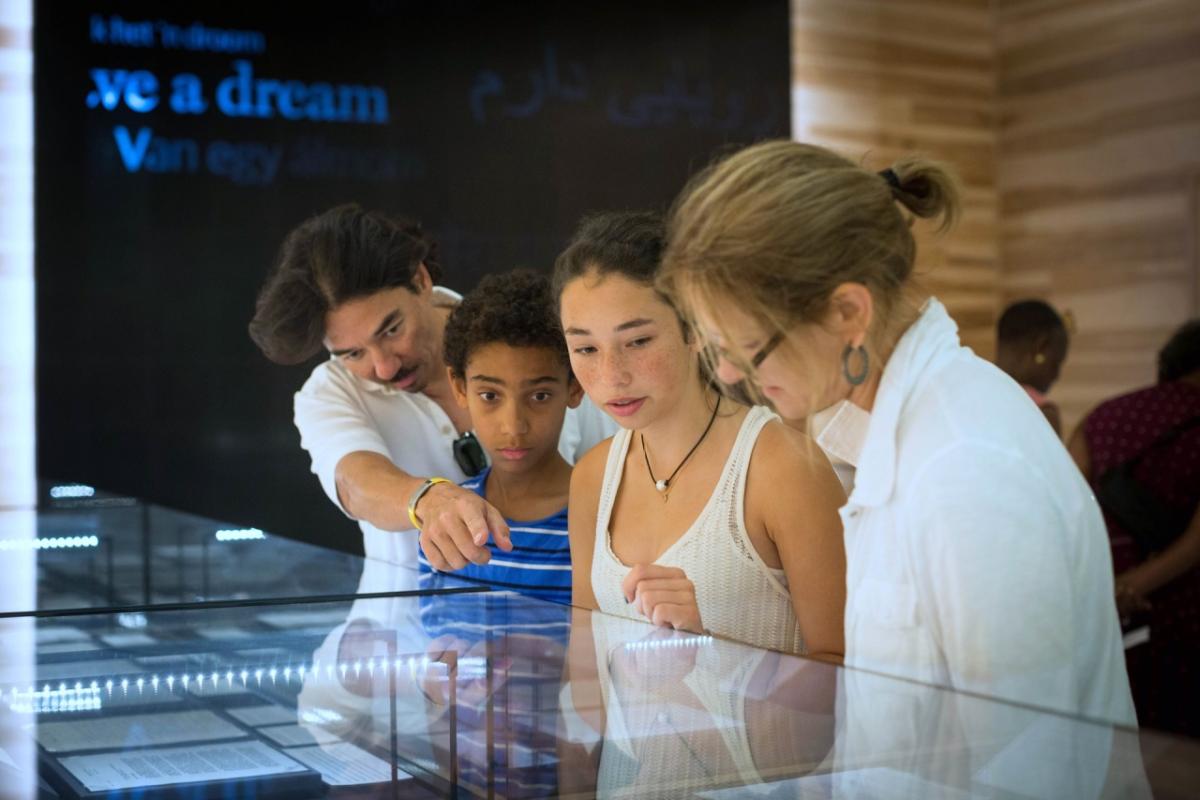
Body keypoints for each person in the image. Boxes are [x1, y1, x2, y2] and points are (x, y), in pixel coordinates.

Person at [659, 140, 1135, 725]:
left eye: (747, 348)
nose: (729, 375)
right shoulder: (888, 433)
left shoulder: (967, 468)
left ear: (848, 313)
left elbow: (1016, 764)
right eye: (715, 348)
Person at [248, 205, 615, 567]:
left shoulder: (539, 345)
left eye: (392, 330)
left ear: (421, 280)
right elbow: (355, 484)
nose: (385, 366)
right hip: (399, 620)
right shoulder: (329, 393)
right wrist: (427, 500)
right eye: (353, 353)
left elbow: (621, 471)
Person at [555, 210, 846, 659]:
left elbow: (844, 670)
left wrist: (707, 650)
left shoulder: (784, 467)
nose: (611, 375)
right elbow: (588, 669)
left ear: (694, 329)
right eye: (586, 349)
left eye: (638, 341)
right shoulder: (592, 477)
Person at [1068, 319, 1200, 737]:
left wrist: (1104, 591)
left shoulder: (1104, 417)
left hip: (1100, 617)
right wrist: (1131, 587)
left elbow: (1066, 513)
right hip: (1182, 618)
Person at [427, 269, 578, 603]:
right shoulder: (445, 526)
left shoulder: (607, 521)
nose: (513, 426)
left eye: (539, 396)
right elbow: (437, 642)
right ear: (460, 387)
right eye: (490, 396)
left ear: (575, 386)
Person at [996, 299, 1070, 436]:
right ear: (1040, 347)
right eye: (1055, 363)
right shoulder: (1042, 413)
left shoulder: (970, 394)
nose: (1056, 375)